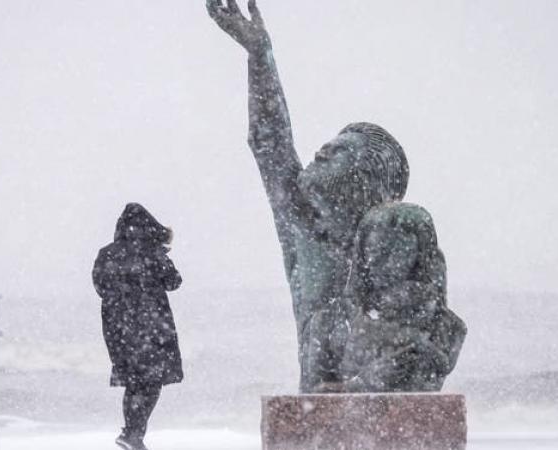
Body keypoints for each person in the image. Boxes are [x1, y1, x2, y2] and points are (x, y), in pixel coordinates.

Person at [206, 0, 409, 392]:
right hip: (320, 410)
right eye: (327, 144)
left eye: (339, 151)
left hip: (372, 403)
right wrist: (260, 55)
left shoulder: (389, 239)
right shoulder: (305, 227)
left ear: (364, 178)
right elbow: (269, 140)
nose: (321, 151)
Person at [340, 203, 467, 392]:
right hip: (357, 415)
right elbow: (316, 401)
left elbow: (431, 386)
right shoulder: (335, 322)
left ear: (419, 256)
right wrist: (365, 381)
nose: (382, 263)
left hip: (410, 416)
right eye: (375, 252)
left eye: (397, 252)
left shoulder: (450, 327)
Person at [92, 203, 183, 450]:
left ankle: (130, 434)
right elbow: (174, 282)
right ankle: (134, 434)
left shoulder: (106, 254)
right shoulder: (152, 253)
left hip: (117, 329)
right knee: (152, 381)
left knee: (134, 381)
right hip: (151, 325)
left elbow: (100, 287)